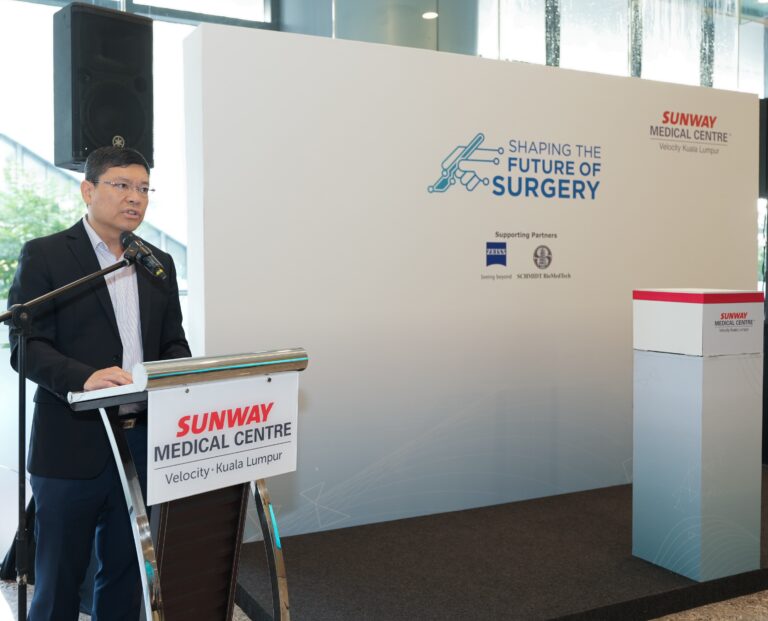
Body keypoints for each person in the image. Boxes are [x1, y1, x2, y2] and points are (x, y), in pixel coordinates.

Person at [7, 146, 190, 620]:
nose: (135, 198)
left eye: (144, 188)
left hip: (141, 442)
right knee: (58, 582)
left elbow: (174, 343)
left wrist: (175, 374)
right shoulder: (47, 255)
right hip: (72, 442)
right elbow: (27, 347)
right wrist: (84, 377)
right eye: (122, 185)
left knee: (127, 575)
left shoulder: (157, 262)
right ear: (88, 190)